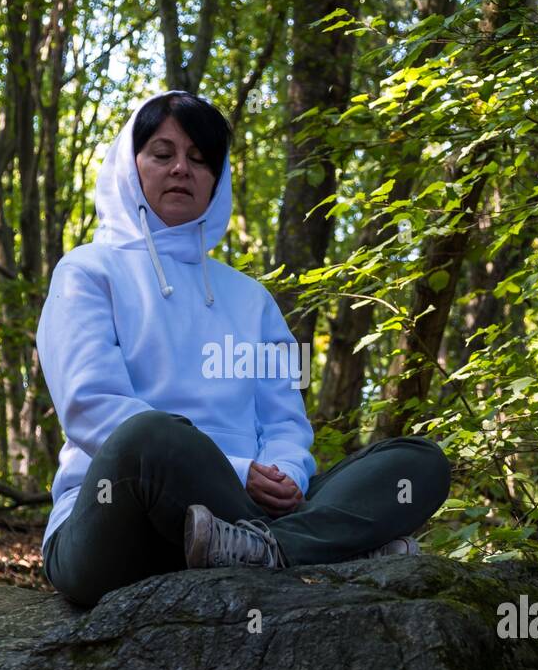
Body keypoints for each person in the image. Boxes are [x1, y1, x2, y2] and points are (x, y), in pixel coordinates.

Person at [36, 89, 451, 608]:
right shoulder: (88, 271)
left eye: (200, 159)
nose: (182, 169)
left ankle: (266, 549)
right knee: (150, 436)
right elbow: (90, 407)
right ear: (130, 164)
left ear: (218, 179)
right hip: (115, 526)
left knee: (419, 462)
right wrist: (238, 472)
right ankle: (323, 549)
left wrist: (287, 474)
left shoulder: (251, 299)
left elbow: (285, 425)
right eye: (163, 154)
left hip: (249, 515)